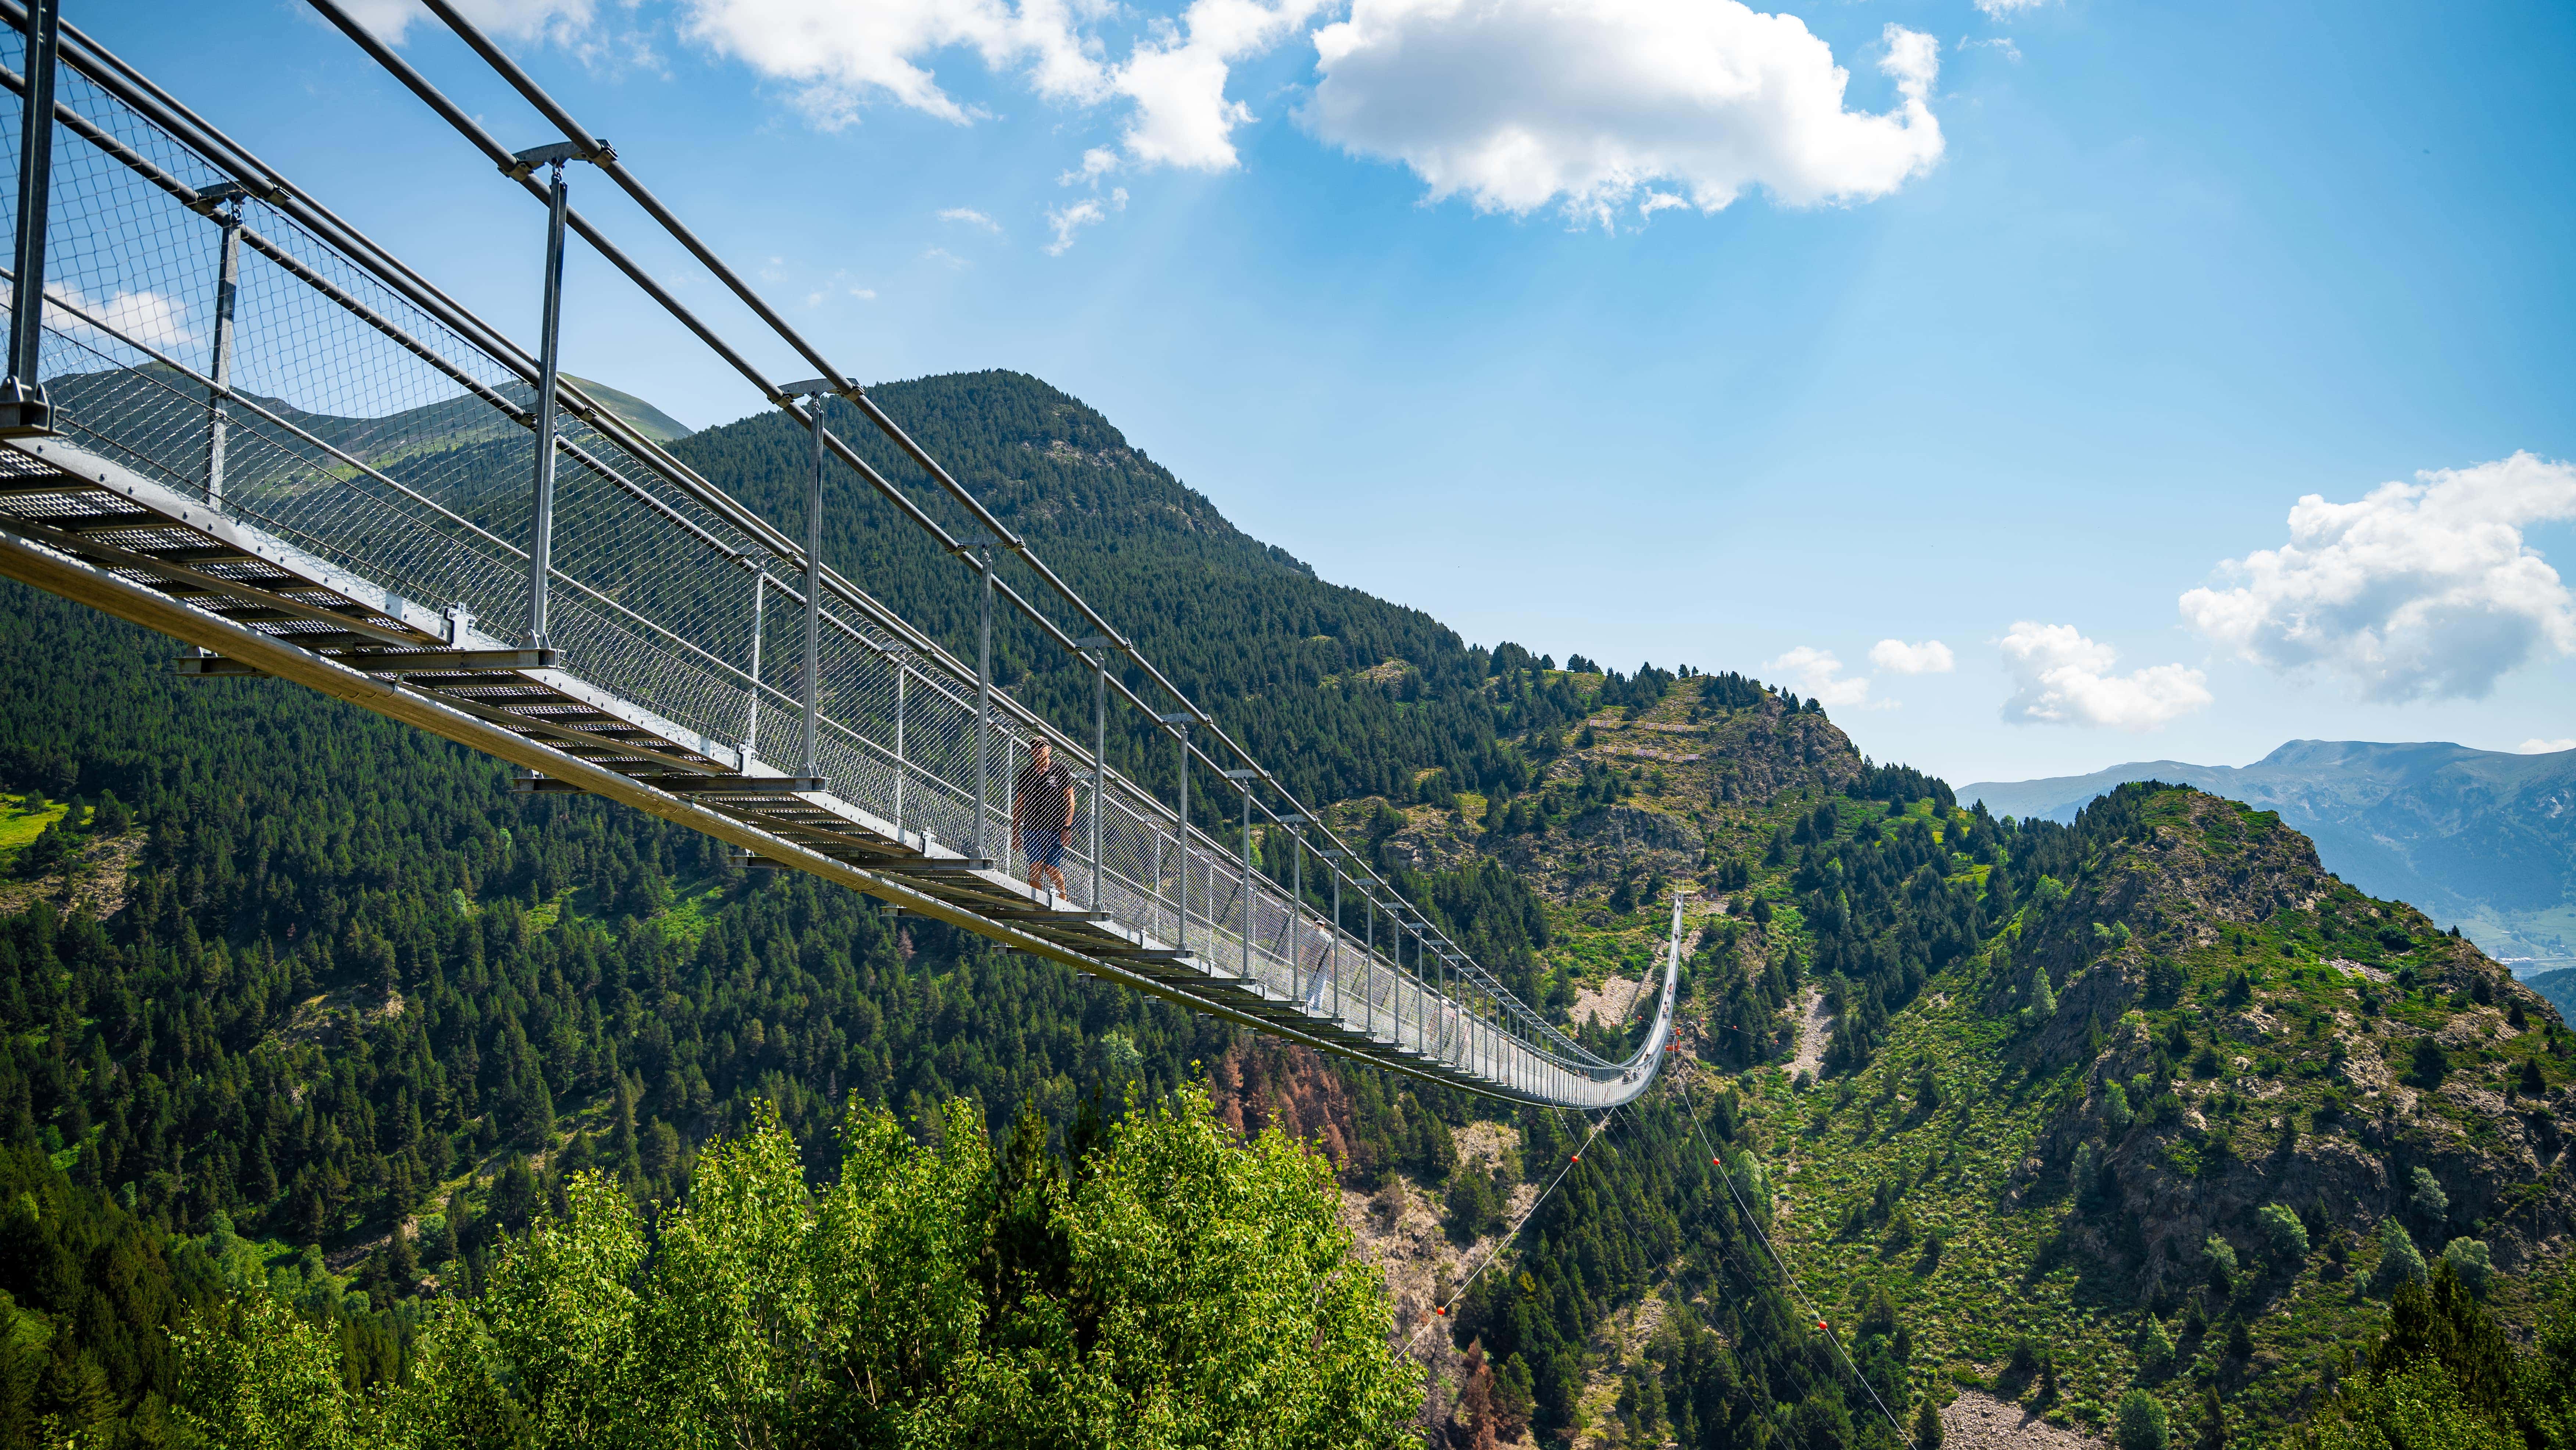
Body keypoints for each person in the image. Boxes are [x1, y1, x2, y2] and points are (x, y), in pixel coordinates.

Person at [1012, 738, 1078, 899]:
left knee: (1051, 867)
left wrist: (1067, 828)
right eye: (1034, 747)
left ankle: (1063, 898)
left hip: (1056, 829)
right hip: (1031, 828)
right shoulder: (1026, 774)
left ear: (1049, 750)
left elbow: (1070, 799)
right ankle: (1036, 901)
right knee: (1035, 866)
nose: (1038, 750)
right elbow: (1020, 804)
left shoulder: (1060, 770)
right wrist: (1015, 833)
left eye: (1041, 747)